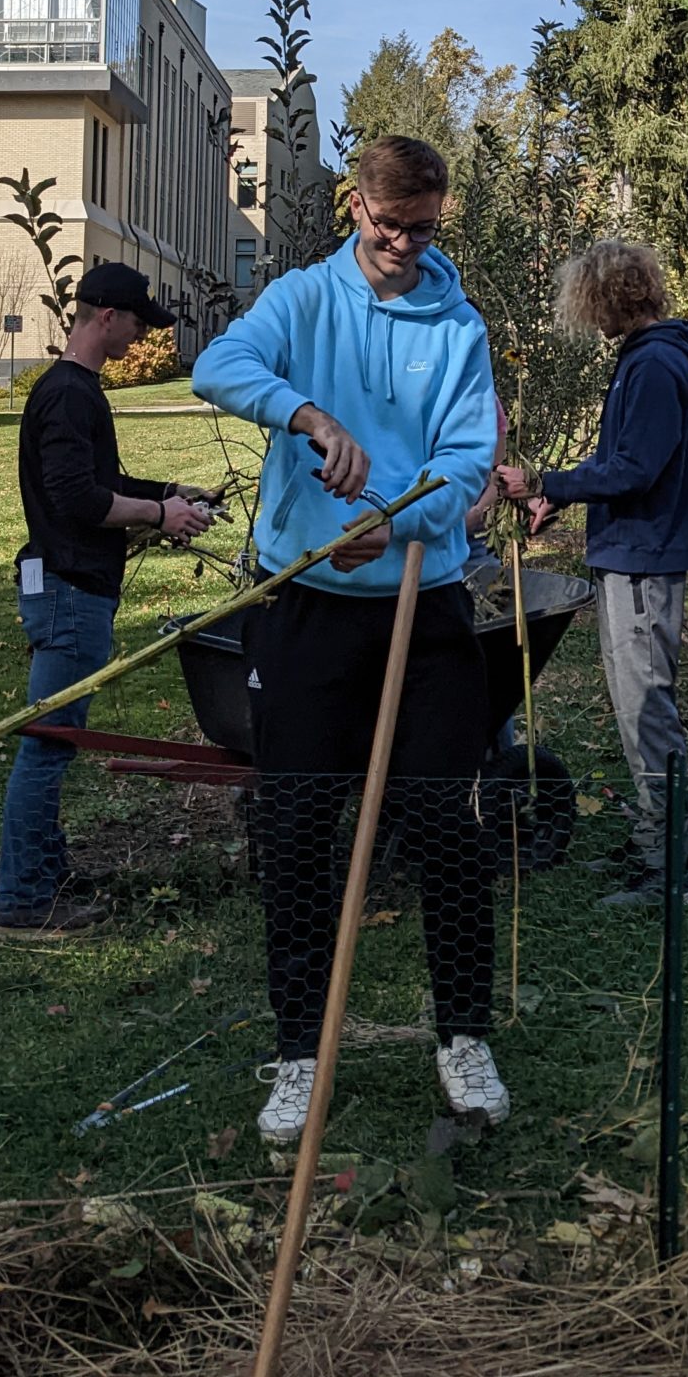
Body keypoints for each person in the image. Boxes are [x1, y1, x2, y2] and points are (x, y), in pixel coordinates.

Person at [191, 134, 501, 1141]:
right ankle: (298, 1053)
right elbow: (218, 364)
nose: (406, 244)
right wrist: (307, 414)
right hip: (307, 607)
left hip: (425, 599)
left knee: (447, 825)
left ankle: (462, 1036)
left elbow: (466, 467)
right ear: (354, 206)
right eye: (391, 223)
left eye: (424, 228)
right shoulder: (302, 300)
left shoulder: (458, 326)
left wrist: (401, 522)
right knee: (292, 829)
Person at [0, 264, 215, 941]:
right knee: (50, 745)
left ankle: (43, 870)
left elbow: (102, 480)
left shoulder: (76, 391)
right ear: (105, 318)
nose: (142, 334)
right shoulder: (66, 395)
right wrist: (157, 513)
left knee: (53, 740)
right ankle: (24, 901)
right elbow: (77, 498)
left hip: (70, 588)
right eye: (138, 322)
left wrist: (176, 496)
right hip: (67, 590)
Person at [499, 242, 688, 907]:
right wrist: (560, 494)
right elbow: (622, 457)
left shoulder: (652, 366)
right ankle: (652, 840)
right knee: (634, 707)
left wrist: (542, 478)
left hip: (644, 560)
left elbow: (635, 470)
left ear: (610, 296)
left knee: (647, 711)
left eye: (588, 301)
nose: (585, 317)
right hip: (630, 553)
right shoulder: (645, 361)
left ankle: (671, 870)